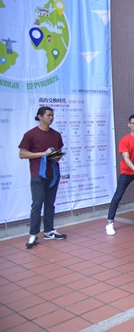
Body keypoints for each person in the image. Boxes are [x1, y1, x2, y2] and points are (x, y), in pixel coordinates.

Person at [18, 106, 67, 249]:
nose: (51, 118)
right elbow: (22, 154)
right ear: (40, 117)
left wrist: (55, 156)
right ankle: (33, 234)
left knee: (50, 203)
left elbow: (58, 154)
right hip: (38, 175)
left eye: (52, 115)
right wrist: (43, 154)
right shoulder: (30, 134)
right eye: (48, 115)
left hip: (53, 175)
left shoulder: (56, 135)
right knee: (37, 204)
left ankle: (49, 231)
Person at [105, 115, 134, 236]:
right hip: (127, 172)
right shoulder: (125, 140)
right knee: (118, 196)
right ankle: (109, 223)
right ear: (129, 125)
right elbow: (126, 158)